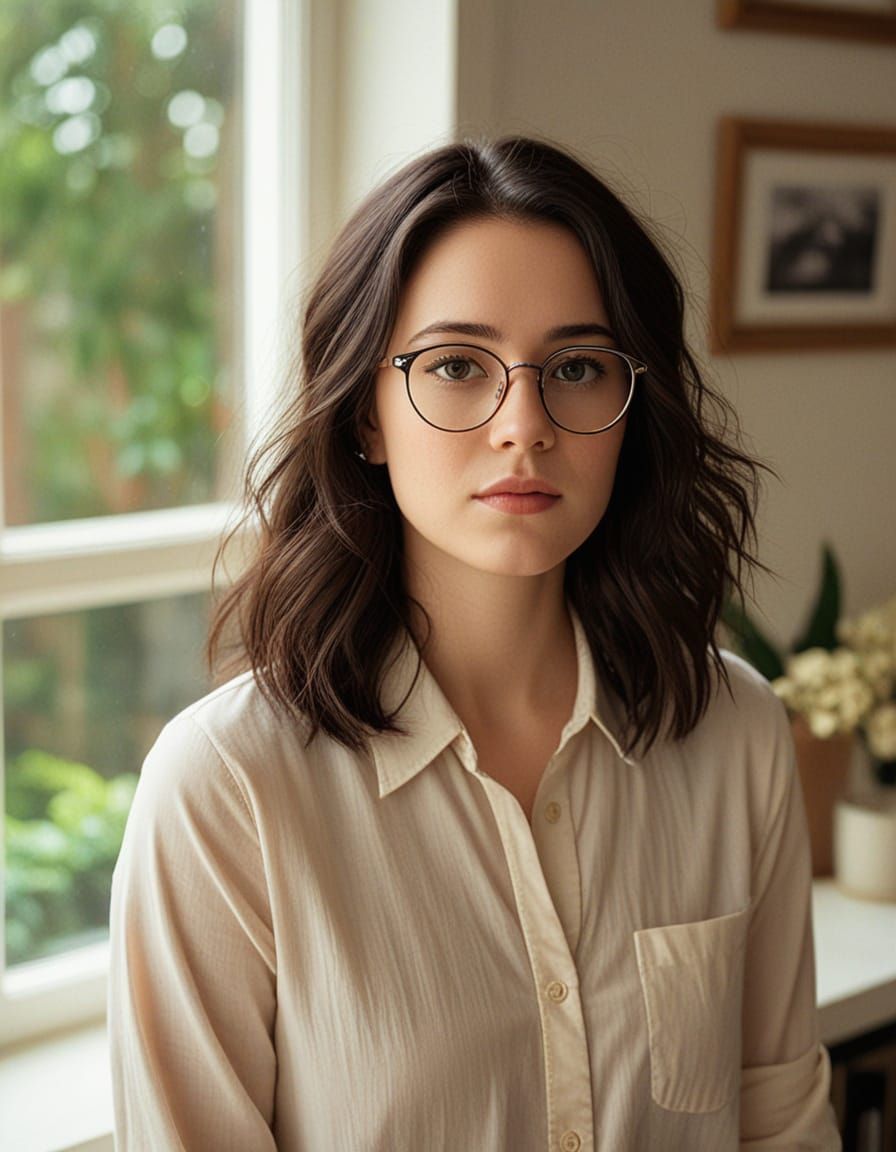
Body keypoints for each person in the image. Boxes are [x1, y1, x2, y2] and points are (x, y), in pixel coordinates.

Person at [108, 135, 842, 1151]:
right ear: (365, 413)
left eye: (576, 367)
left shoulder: (734, 730)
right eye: (456, 366)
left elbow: (777, 1125)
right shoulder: (225, 786)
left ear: (634, 407)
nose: (523, 425)